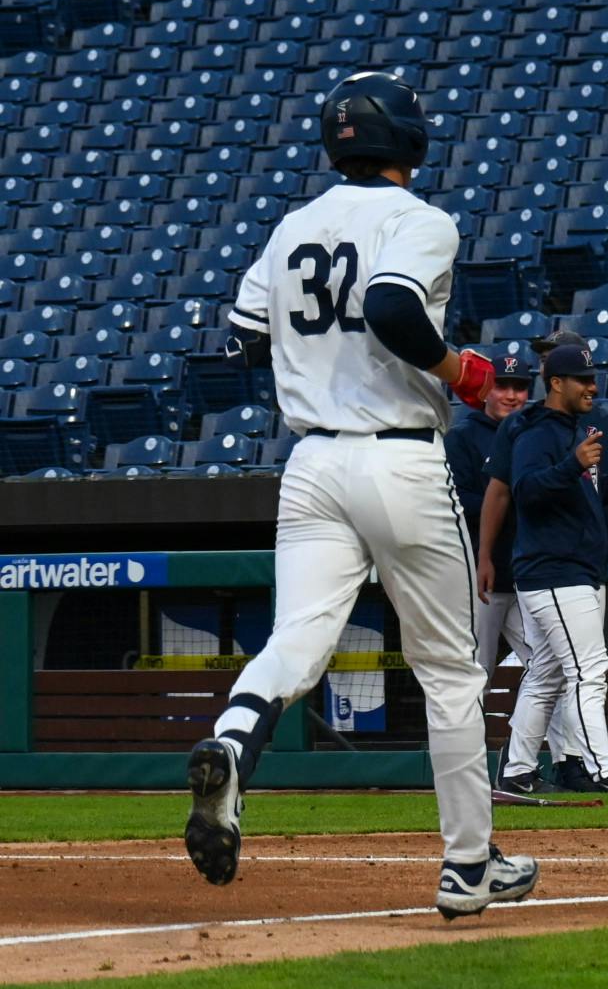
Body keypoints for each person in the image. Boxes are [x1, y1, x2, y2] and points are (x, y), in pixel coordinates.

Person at [184, 70, 537, 919]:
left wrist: (320, 369)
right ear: (407, 137)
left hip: (311, 461)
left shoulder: (293, 226)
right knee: (450, 669)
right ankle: (468, 864)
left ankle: (233, 739)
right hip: (400, 456)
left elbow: (242, 340)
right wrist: (458, 369)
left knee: (296, 638)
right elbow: (390, 307)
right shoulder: (419, 219)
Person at [484, 328, 608, 790]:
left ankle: (516, 771)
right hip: (554, 569)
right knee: (588, 670)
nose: (592, 386)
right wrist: (573, 463)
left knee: (547, 674)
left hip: (571, 568)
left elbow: (588, 494)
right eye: (582, 379)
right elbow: (526, 491)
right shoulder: (536, 430)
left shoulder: (572, 428)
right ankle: (604, 769)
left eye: (592, 378)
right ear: (556, 382)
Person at [443, 349, 556, 796]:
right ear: (486, 390)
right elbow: (457, 501)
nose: (511, 395)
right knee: (476, 676)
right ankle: (464, 773)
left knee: (548, 666)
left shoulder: (533, 430)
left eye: (520, 387)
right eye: (503, 386)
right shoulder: (463, 436)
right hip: (480, 576)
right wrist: (510, 495)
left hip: (525, 574)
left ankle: (530, 765)